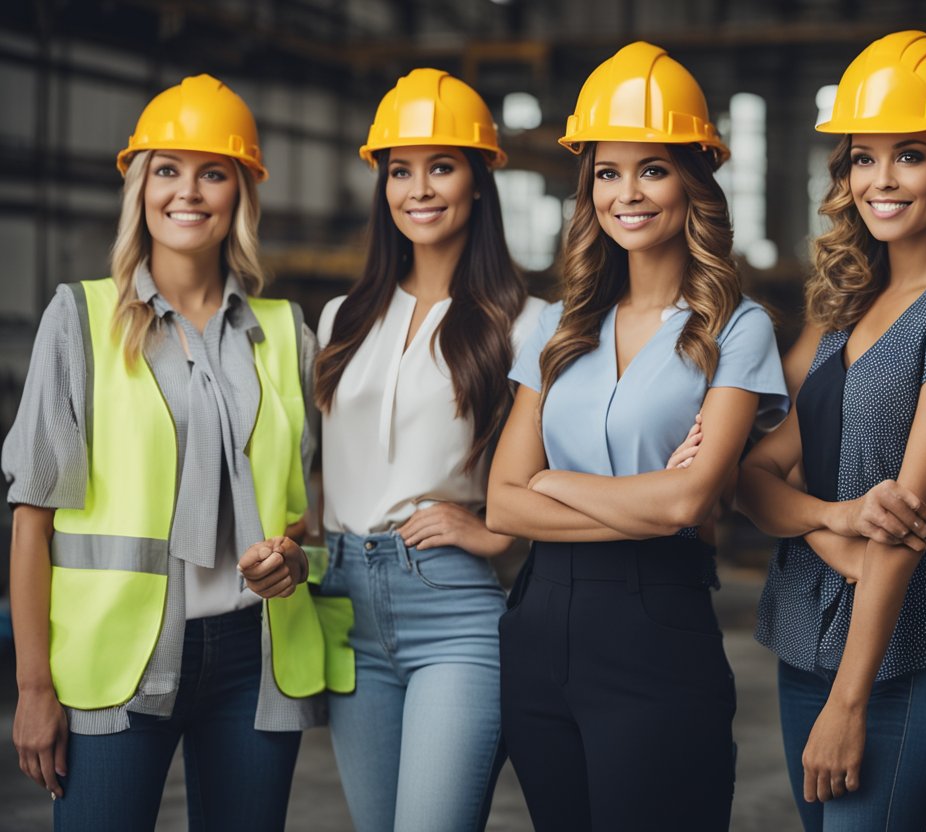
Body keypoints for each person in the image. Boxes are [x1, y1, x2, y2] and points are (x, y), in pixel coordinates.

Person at [4, 74, 326, 832]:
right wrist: (33, 689)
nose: (189, 192)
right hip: (115, 663)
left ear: (241, 193)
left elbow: (307, 513)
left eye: (213, 172)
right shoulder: (77, 319)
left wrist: (295, 557)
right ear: (141, 188)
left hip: (253, 657)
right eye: (168, 170)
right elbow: (32, 521)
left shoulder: (285, 333)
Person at [486, 41, 788, 832]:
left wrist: (551, 481)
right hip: (539, 628)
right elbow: (501, 508)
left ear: (693, 181)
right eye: (608, 173)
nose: (628, 193)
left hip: (658, 630)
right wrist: (639, 500)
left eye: (652, 169)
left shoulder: (736, 328)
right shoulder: (551, 328)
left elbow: (688, 503)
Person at [738, 31, 926, 830]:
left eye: (909, 155)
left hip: (897, 664)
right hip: (801, 649)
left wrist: (849, 702)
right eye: (863, 157)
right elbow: (751, 475)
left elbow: (905, 525)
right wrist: (830, 521)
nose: (880, 180)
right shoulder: (839, 305)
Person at [313, 68, 543, 832]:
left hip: (451, 605)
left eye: (441, 167)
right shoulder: (340, 319)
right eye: (399, 170)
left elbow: (567, 459)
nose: (419, 189)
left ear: (478, 183)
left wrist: (498, 531)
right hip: (343, 601)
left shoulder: (526, 322)